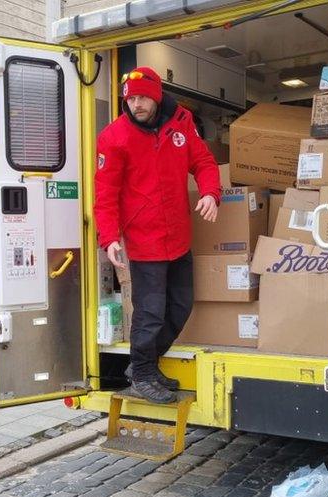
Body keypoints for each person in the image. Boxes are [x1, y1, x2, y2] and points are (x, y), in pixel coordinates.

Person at [94, 66, 221, 404]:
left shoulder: (181, 122)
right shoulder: (114, 137)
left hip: (178, 236)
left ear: (156, 96)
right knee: (150, 313)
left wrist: (210, 192)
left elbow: (205, 163)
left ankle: (143, 366)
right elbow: (105, 194)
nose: (137, 104)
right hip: (144, 241)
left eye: (143, 98)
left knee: (181, 306)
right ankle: (143, 372)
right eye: (131, 98)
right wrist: (109, 239)